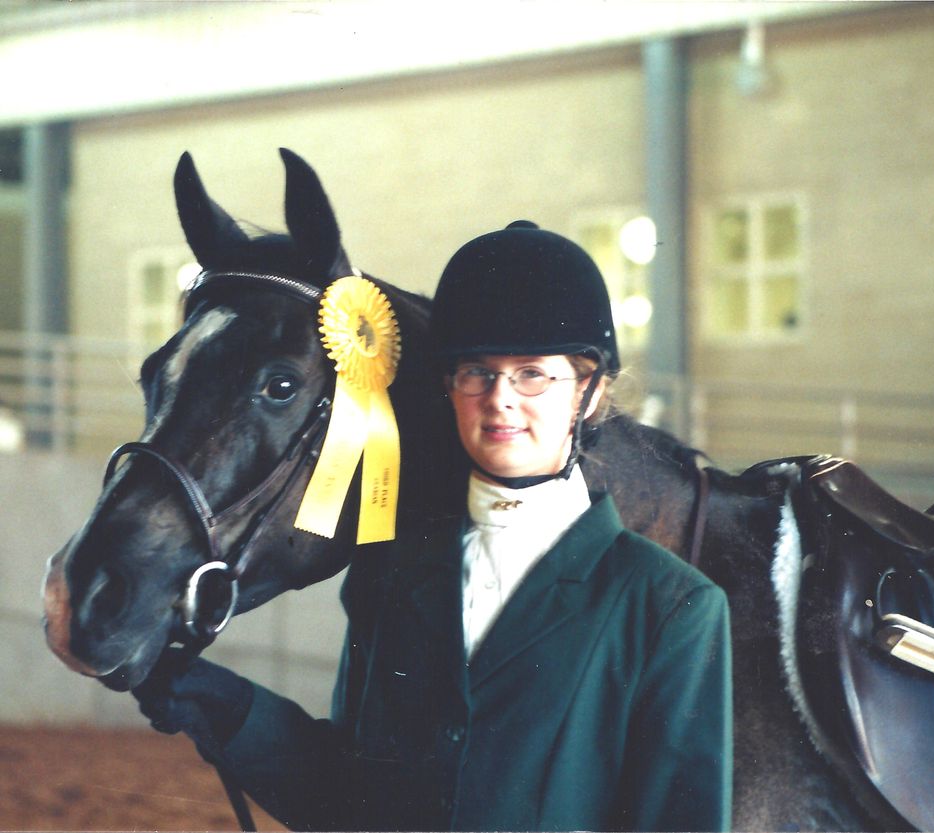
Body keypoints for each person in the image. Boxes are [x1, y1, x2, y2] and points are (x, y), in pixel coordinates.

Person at [133, 221, 733, 831]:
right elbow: (348, 800)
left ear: (590, 391)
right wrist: (225, 706)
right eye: (477, 372)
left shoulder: (670, 607)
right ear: (449, 387)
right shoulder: (390, 574)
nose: (501, 397)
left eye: (532, 374)